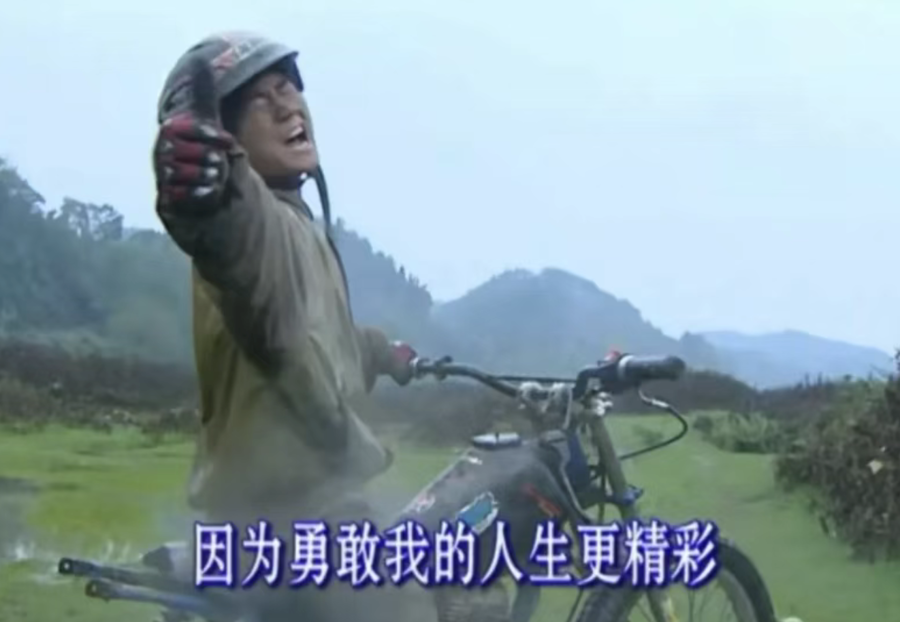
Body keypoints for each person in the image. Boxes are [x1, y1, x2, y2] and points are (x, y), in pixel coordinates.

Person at [152, 31, 437, 622]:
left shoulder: (302, 227)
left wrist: (383, 352)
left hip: (301, 506)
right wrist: (206, 185)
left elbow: (314, 344)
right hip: (293, 517)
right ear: (226, 135)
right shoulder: (263, 227)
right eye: (262, 100)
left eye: (288, 89)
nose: (288, 107)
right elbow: (234, 234)